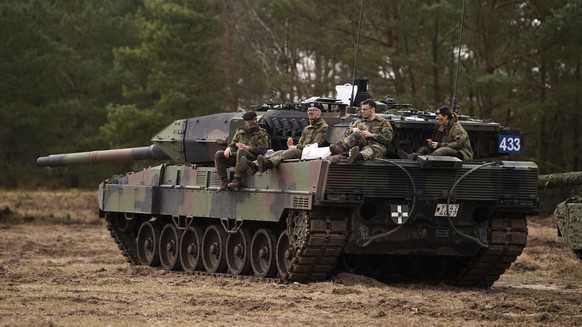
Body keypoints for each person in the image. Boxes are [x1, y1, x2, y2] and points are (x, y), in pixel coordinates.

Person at [241, 103, 328, 174]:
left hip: (311, 154)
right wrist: (292, 145)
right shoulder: (307, 128)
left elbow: (316, 145)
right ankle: (254, 165)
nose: (309, 112)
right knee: (278, 152)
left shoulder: (323, 127)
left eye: (313, 110)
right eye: (309, 110)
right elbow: (301, 143)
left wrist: (296, 147)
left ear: (319, 113)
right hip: (302, 151)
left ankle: (269, 164)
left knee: (288, 153)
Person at [214, 111, 270, 190]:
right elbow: (233, 145)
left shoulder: (262, 133)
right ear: (245, 122)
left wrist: (247, 148)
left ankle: (237, 179)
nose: (253, 122)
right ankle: (224, 181)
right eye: (250, 121)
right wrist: (228, 149)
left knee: (241, 151)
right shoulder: (240, 132)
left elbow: (263, 150)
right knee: (219, 154)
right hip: (239, 157)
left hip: (253, 159)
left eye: (255, 120)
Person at [329, 99, 393, 164]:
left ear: (372, 110)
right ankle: (339, 148)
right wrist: (352, 130)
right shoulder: (359, 121)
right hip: (360, 145)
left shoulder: (383, 122)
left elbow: (388, 138)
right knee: (356, 134)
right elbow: (346, 133)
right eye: (362, 109)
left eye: (365, 109)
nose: (362, 111)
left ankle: (357, 156)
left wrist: (371, 135)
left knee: (371, 150)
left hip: (376, 146)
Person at [398, 106, 473, 161]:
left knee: (441, 151)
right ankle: (413, 157)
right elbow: (438, 141)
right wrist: (432, 143)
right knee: (424, 149)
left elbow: (458, 144)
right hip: (448, 149)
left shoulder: (457, 128)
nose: (436, 118)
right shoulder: (442, 127)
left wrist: (439, 145)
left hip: (462, 153)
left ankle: (426, 160)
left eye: (438, 116)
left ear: (445, 116)